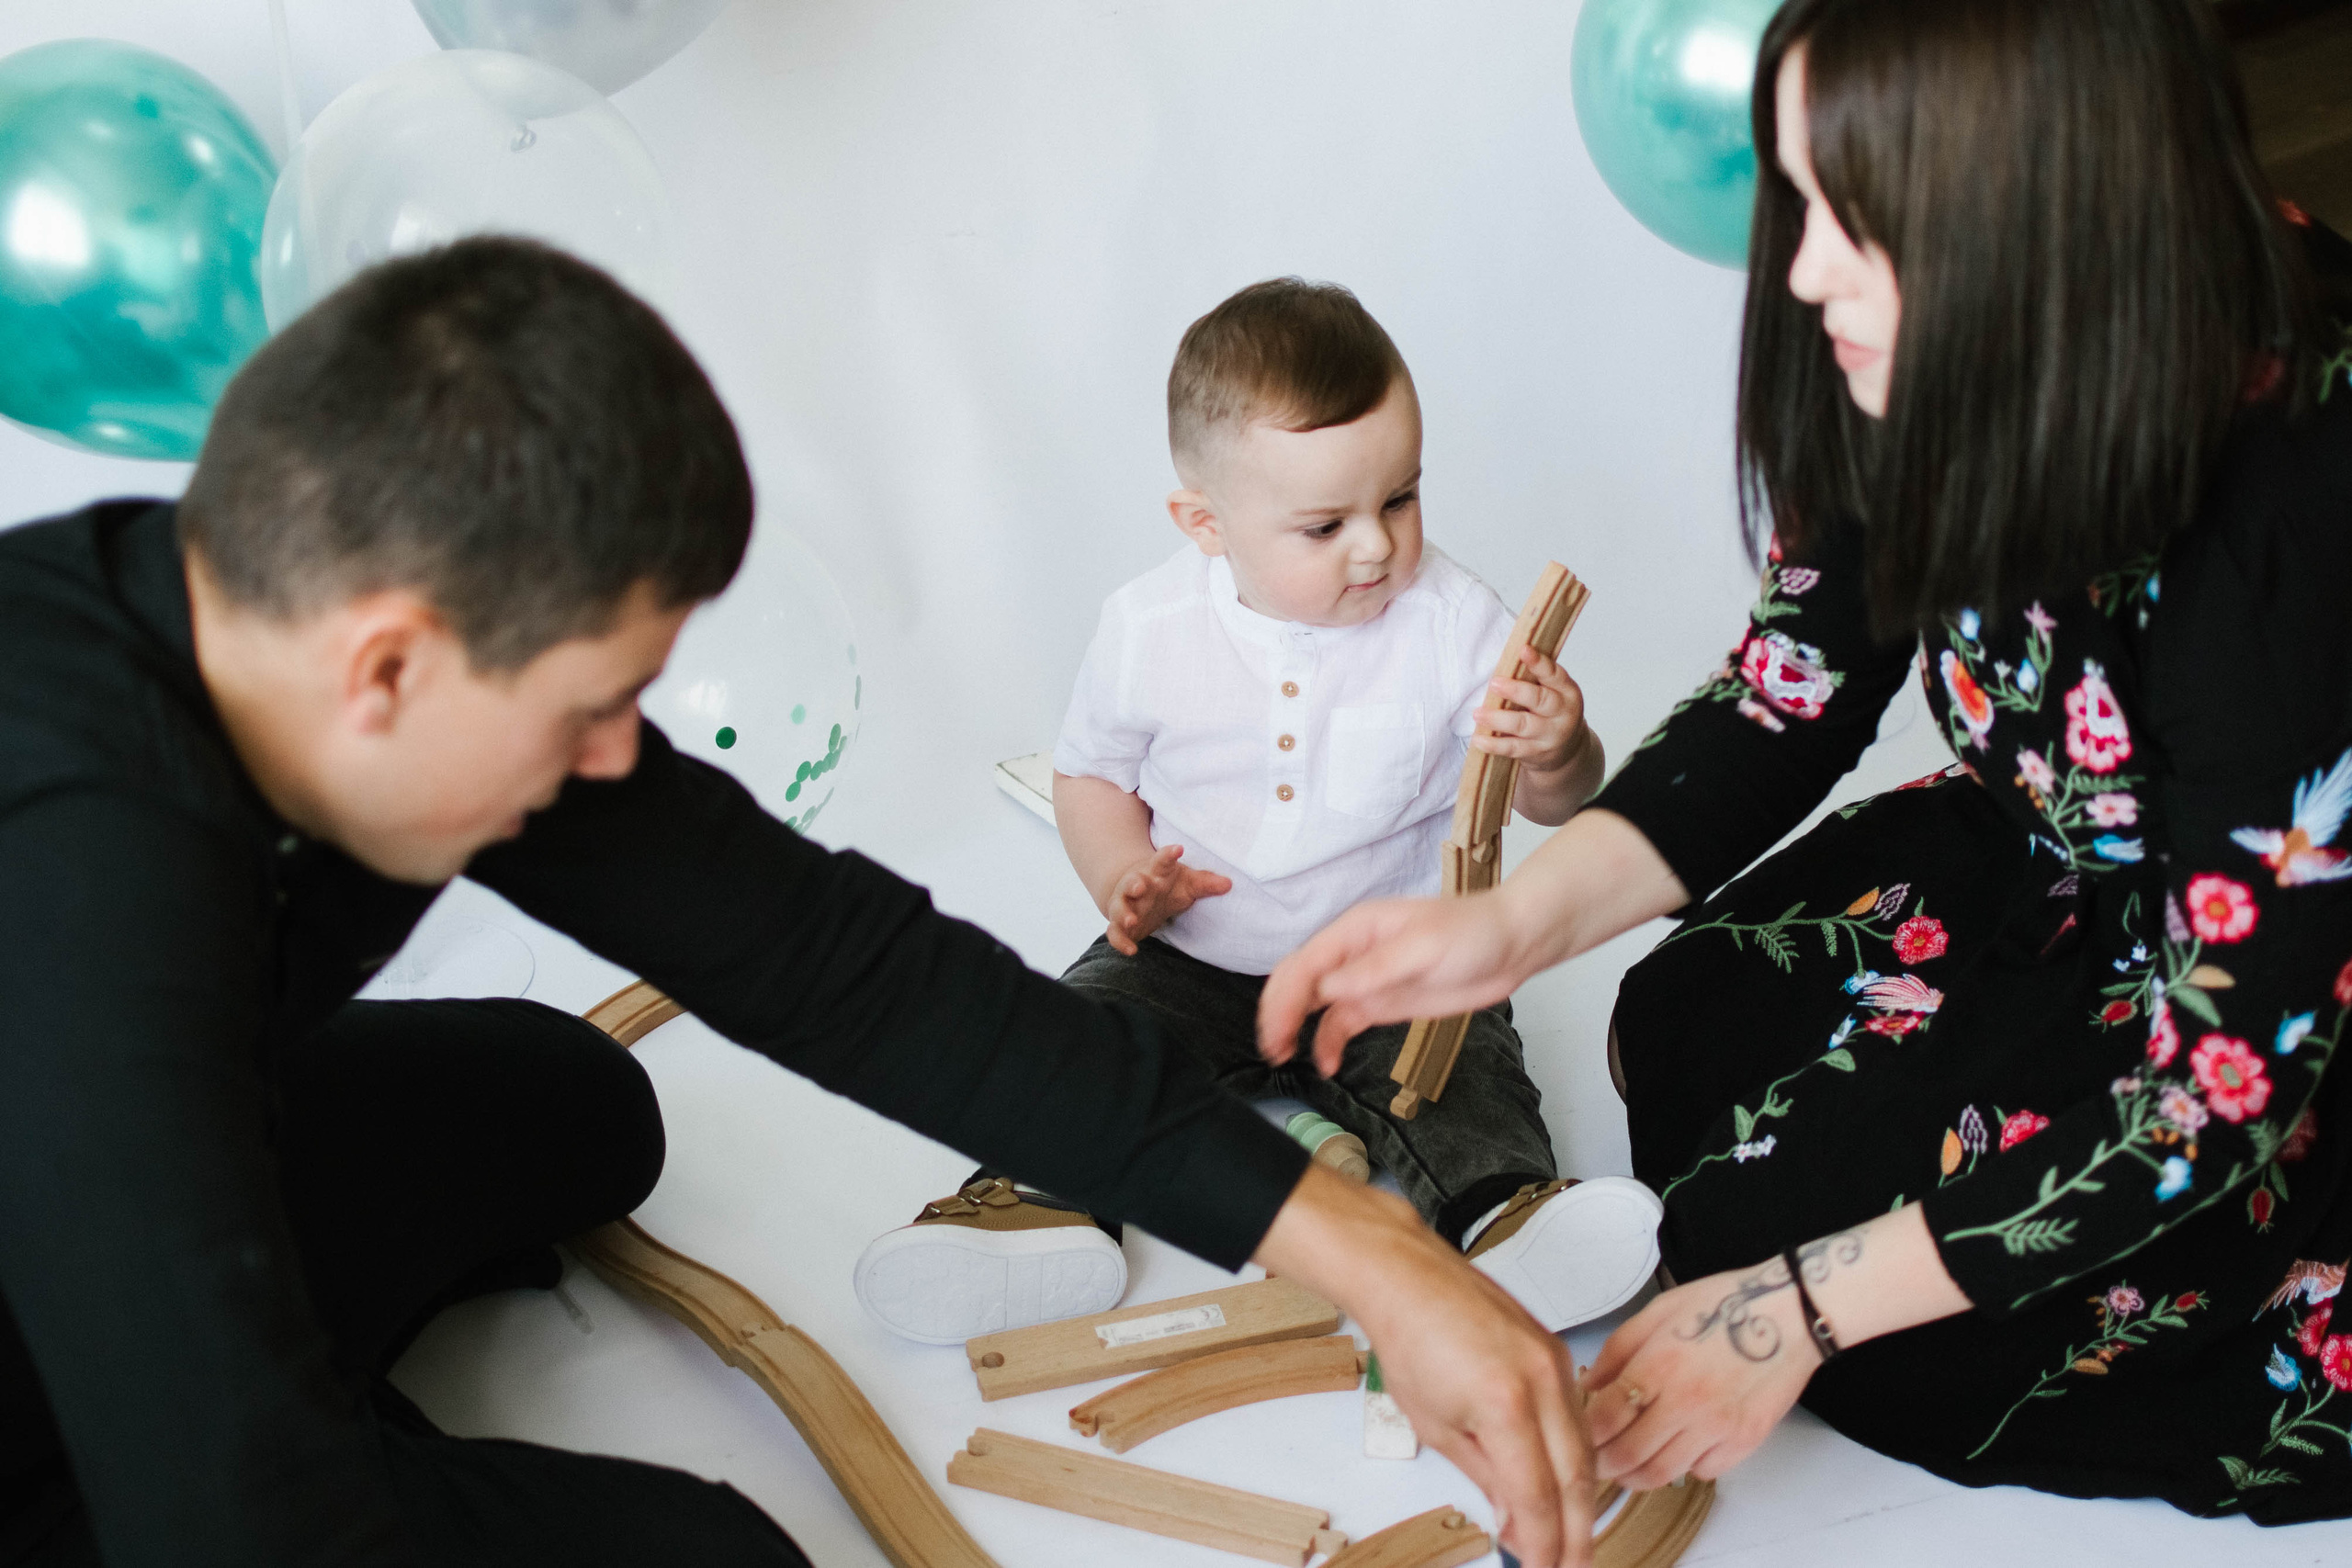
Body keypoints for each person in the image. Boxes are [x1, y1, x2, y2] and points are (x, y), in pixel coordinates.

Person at [0, 239, 1605, 1568]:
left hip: (118, 1145)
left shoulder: (274, 610)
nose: (618, 758)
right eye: (591, 706)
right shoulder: (74, 876)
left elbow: (845, 968)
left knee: (575, 1109)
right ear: (388, 667)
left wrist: (1379, 1256)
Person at [1261, 0, 2352, 1527]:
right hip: (2076, 865)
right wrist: (1511, 923)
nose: (1800, 269)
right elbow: (1795, 687)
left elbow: (2218, 1086)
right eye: (1799, 198)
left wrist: (1794, 1315)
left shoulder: (2290, 516)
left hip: (2286, 1002)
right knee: (1705, 1038)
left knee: (1954, 1326)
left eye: (1861, 220)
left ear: (2037, 214)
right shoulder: (1916, 337)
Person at [854, 278, 1662, 1345]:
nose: (1375, 548)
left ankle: (1502, 1218)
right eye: (1324, 525)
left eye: (1401, 500)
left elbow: (1561, 805)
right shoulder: (1149, 628)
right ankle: (1029, 1213)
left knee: (1463, 1064)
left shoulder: (1458, 625)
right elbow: (1089, 776)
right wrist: (1120, 880)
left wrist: (1558, 749)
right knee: (1075, 1037)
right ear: (1205, 523)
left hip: (1393, 963)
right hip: (1193, 951)